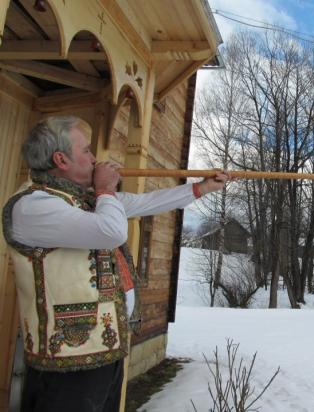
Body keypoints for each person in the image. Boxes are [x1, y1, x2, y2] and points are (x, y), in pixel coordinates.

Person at [2, 116, 229, 412]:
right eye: (86, 151)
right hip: (65, 366)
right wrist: (106, 190)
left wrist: (202, 188)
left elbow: (147, 202)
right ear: (61, 159)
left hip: (106, 352)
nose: (94, 159)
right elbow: (111, 231)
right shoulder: (34, 205)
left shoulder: (84, 199)